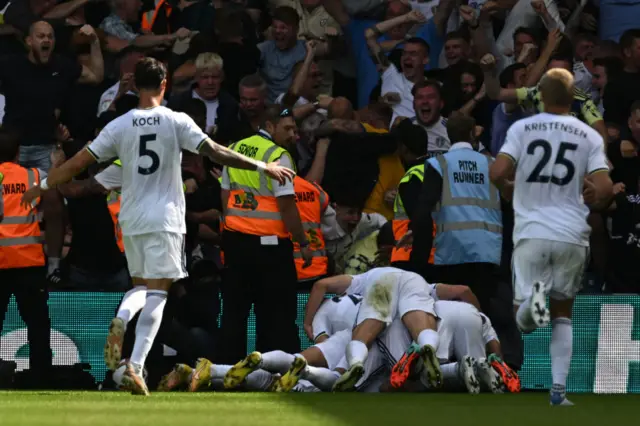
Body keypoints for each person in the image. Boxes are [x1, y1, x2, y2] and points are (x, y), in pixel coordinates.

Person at [21, 57, 295, 396]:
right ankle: (135, 363)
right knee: (158, 293)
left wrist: (44, 184)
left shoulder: (120, 125)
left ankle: (124, 318)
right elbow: (218, 152)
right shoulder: (175, 120)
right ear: (165, 85)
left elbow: (80, 163)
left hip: (131, 221)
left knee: (140, 287)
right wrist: (261, 165)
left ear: (135, 84)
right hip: (165, 218)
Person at [489, 68, 613, 406]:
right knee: (563, 315)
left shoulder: (522, 128)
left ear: (540, 95)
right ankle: (558, 393)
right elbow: (603, 188)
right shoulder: (588, 135)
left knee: (525, 321)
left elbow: (497, 172)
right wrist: (592, 196)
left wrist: (508, 188)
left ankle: (531, 305)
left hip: (533, 230)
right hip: (572, 234)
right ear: (572, 98)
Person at [218, 105, 311, 365]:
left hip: (236, 245)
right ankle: (273, 371)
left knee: (234, 314)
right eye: (287, 128)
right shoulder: (279, 156)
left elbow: (225, 197)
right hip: (270, 250)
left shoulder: (234, 148)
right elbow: (286, 205)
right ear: (269, 126)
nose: (294, 135)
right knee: (276, 316)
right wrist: (303, 242)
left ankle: (225, 372)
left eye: (295, 128)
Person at [411, 113, 503, 314]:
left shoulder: (440, 164)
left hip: (452, 251)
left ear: (448, 134)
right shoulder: (491, 164)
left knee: (453, 315)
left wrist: (418, 261)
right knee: (483, 316)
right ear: (472, 134)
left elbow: (424, 211)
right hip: (487, 251)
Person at [0, 128, 52, 384]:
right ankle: (41, 374)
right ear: (18, 153)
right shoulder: (32, 176)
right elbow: (54, 182)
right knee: (37, 322)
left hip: (1, 261)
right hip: (29, 262)